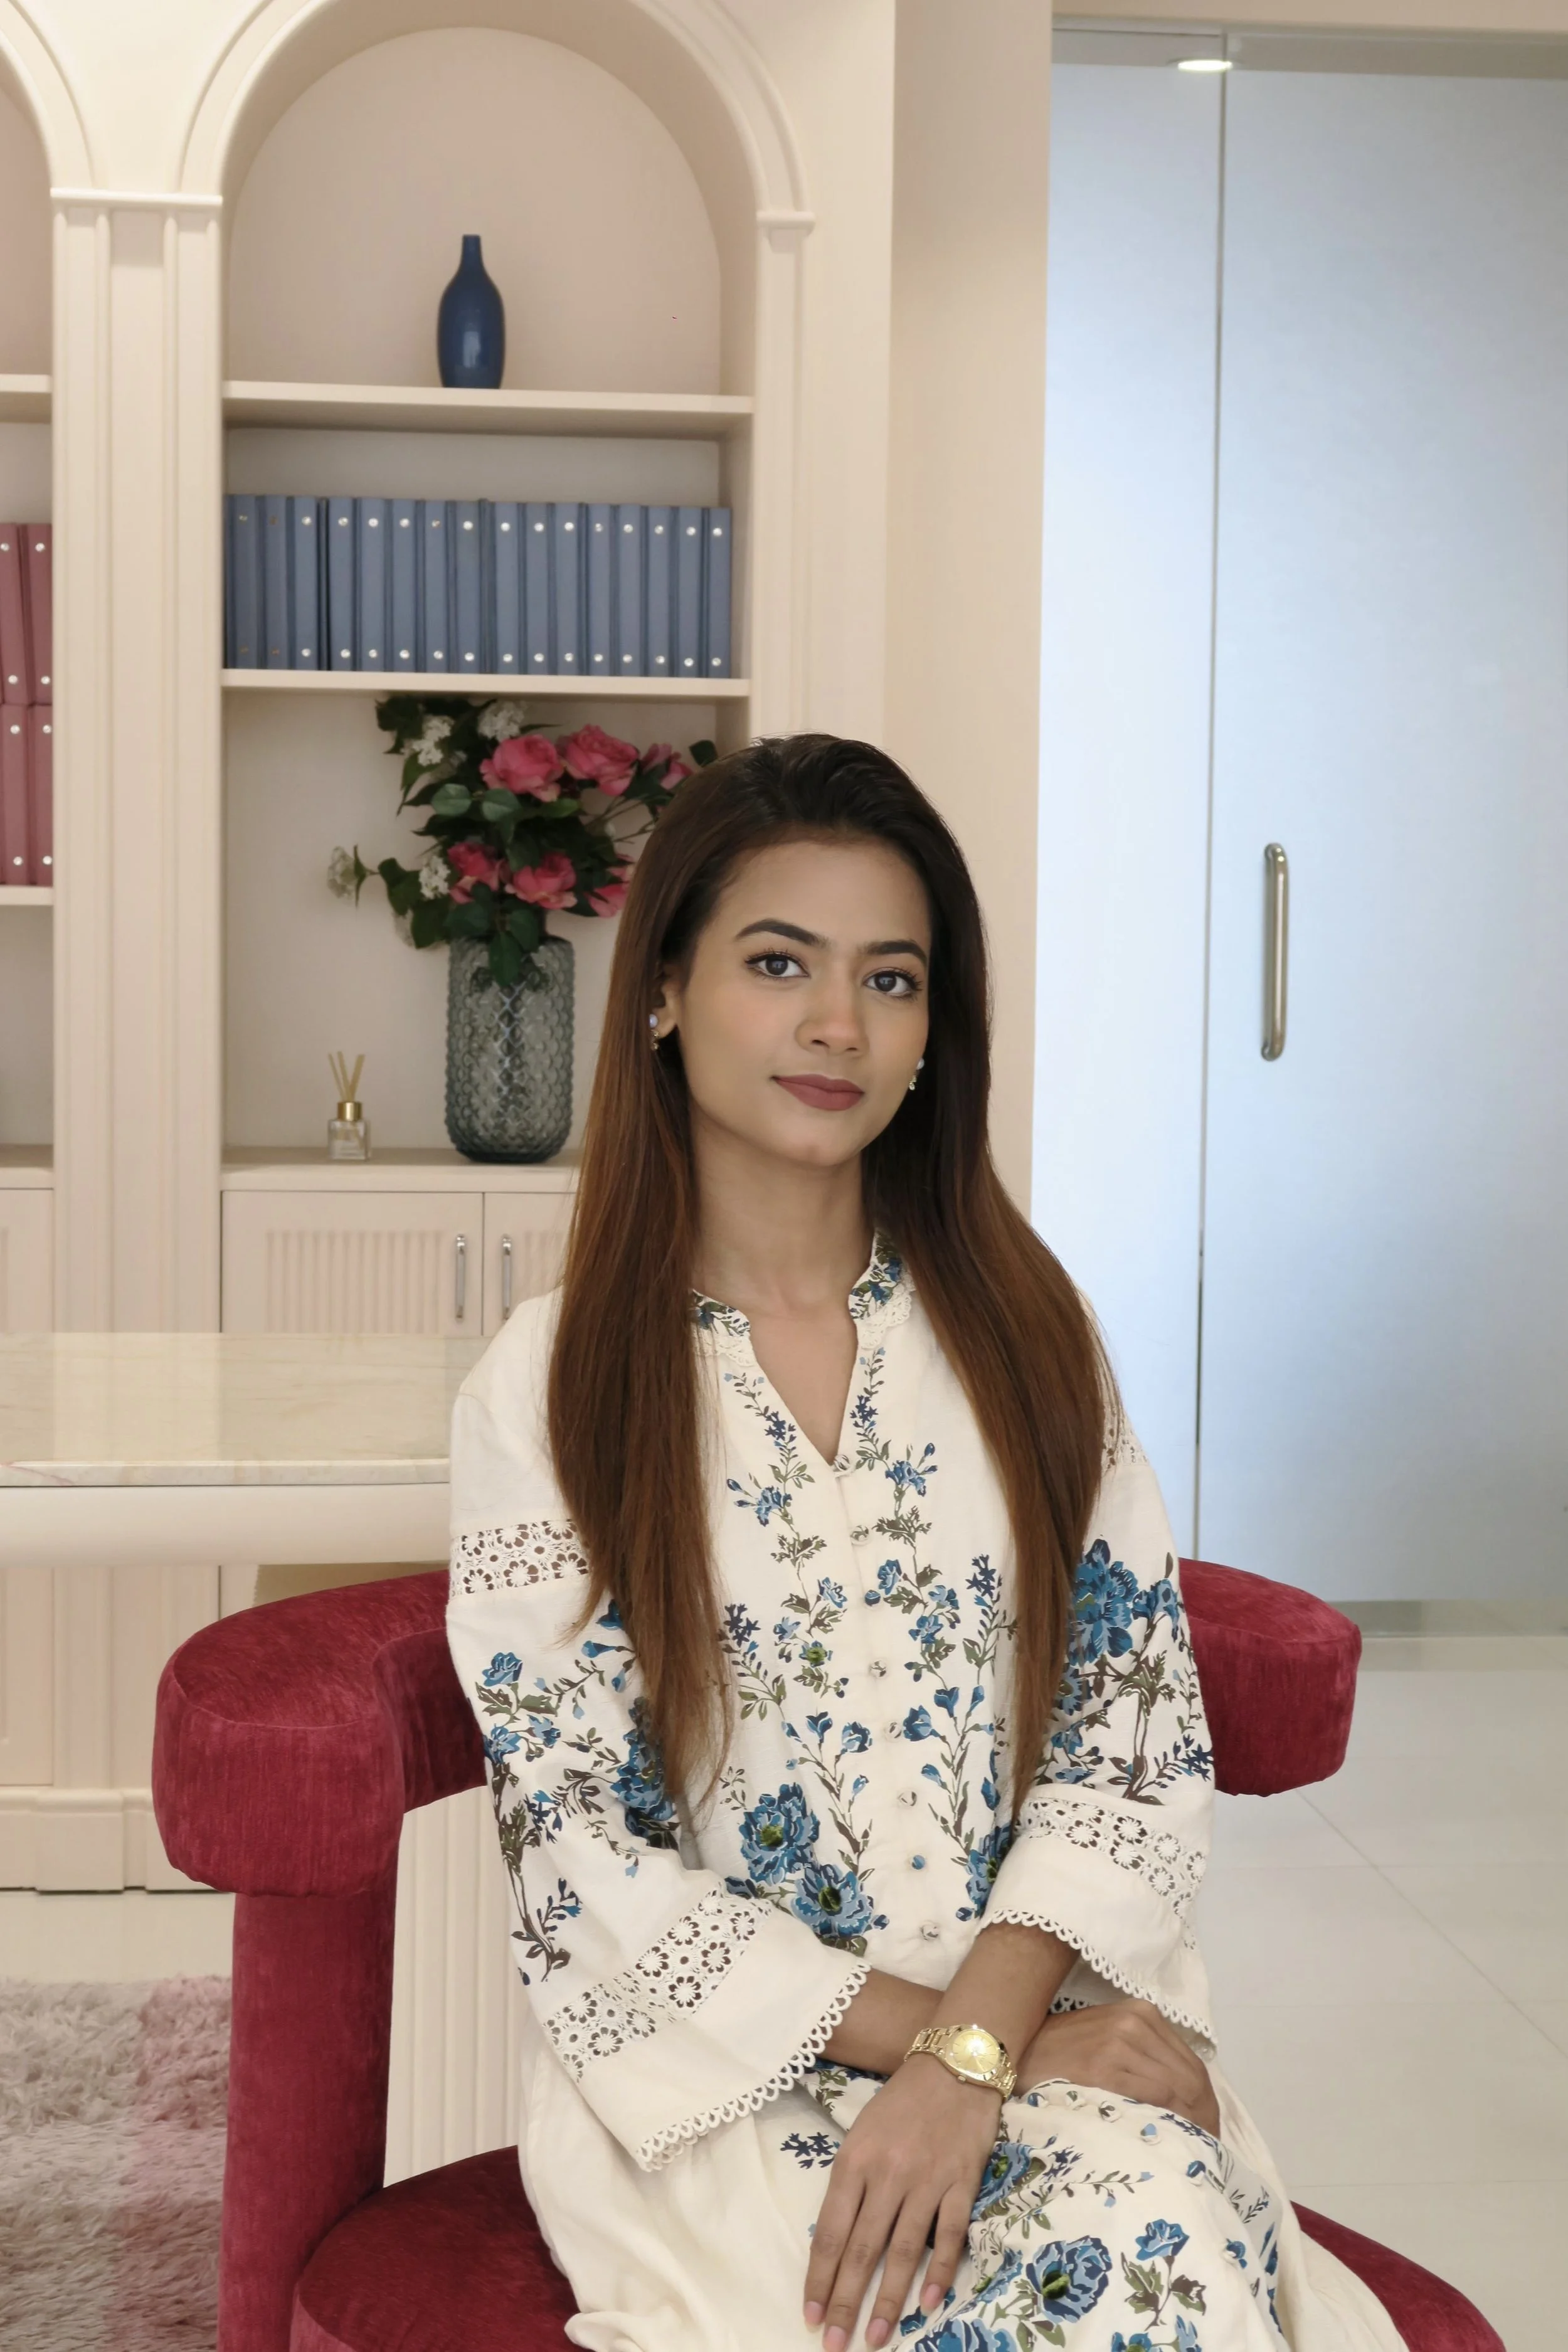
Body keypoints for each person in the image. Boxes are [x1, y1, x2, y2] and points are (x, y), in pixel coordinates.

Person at [445, 735, 1401, 2352]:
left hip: (1052, 2021)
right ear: (663, 993)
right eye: (777, 963)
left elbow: (1127, 1741)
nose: (837, 1024)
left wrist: (989, 2048)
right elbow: (584, 1863)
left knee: (1158, 2249)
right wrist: (953, 2060)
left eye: (891, 979)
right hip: (729, 2091)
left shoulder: (1028, 1336)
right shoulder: (548, 1389)